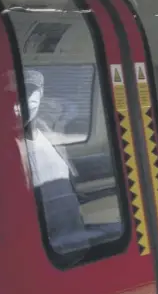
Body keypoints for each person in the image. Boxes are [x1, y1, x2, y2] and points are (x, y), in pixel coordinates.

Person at [22, 69, 121, 257]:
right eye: (17, 93)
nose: (24, 99)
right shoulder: (8, 146)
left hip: (75, 238)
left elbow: (67, 176)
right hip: (51, 249)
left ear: (40, 94)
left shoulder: (46, 132)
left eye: (30, 91)